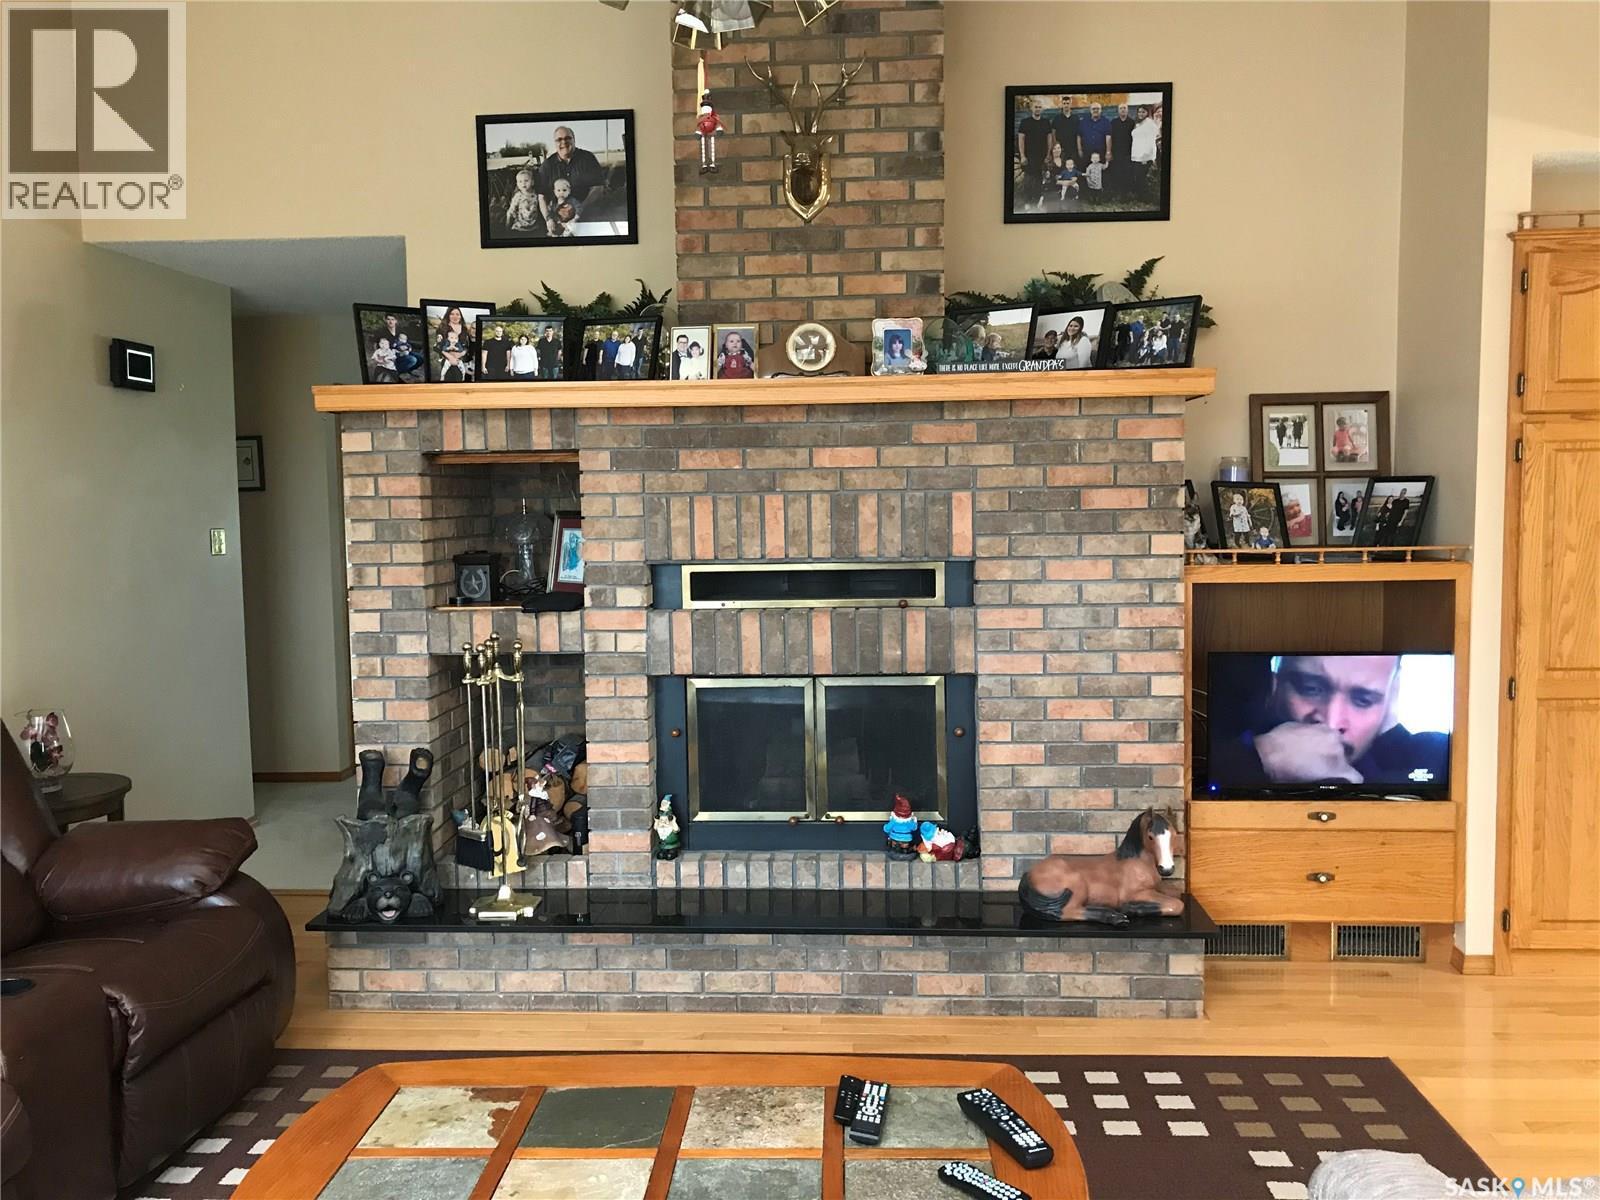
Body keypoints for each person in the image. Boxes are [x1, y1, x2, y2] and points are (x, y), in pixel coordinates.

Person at [1211, 654, 1450, 787]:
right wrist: (1263, 757)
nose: (1332, 722)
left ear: (1390, 701)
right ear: (1274, 686)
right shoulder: (1222, 750)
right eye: (1311, 688)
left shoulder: (1431, 755)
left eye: (1363, 700)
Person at [537, 126, 606, 236]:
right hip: (557, 219)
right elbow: (542, 197)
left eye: (567, 138)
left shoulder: (587, 158)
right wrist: (548, 219)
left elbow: (598, 188)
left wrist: (578, 210)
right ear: (554, 143)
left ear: (574, 140)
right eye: (559, 139)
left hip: (586, 216)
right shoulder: (547, 166)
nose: (563, 142)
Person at [1015, 97, 1052, 212]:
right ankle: (1027, 201)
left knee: (1039, 179)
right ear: (1032, 109)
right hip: (1029, 156)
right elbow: (1021, 139)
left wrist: (1047, 155)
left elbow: (1049, 139)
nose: (1038, 109)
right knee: (1028, 180)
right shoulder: (1025, 122)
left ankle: (1037, 201)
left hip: (1041, 156)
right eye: (1036, 107)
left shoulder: (1046, 122)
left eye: (1040, 107)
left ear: (1042, 110)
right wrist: (1022, 156)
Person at [433, 306, 474, 382]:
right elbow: (437, 346)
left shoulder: (465, 330)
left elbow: (468, 346)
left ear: (460, 316)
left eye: (457, 314)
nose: (455, 316)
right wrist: (450, 357)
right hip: (447, 360)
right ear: (448, 315)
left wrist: (461, 354)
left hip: (462, 361)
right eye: (452, 314)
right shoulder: (442, 328)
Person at [1108, 102, 1136, 195]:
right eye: (1121, 108)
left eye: (1124, 108)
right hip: (1116, 152)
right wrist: (1110, 151)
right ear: (1118, 111)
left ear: (1127, 110)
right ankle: (1117, 192)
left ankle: (1126, 192)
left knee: (1127, 172)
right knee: (1117, 171)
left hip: (1128, 153)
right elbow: (1110, 137)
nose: (1123, 110)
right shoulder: (1113, 122)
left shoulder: (1132, 122)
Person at [1077, 101, 1113, 174]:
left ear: (1101, 110)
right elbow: (1079, 136)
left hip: (1101, 152)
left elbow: (1108, 137)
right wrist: (1079, 150)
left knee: (1101, 172)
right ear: (1090, 110)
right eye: (1093, 109)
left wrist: (1108, 152)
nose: (1095, 110)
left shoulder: (1106, 122)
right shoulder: (1083, 122)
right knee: (1087, 171)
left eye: (1098, 109)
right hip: (1087, 152)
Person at [505, 168, 540, 233]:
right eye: (520, 181)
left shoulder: (536, 194)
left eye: (526, 180)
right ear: (517, 184)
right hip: (519, 226)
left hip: (534, 226)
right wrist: (507, 225)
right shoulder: (518, 196)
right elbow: (511, 211)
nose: (523, 183)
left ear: (532, 182)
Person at [1131, 104, 1160, 181]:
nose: (1140, 114)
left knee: (1141, 178)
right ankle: (1139, 192)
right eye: (1139, 112)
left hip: (1144, 157)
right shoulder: (1138, 124)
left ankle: (1142, 192)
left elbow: (1151, 141)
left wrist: (1148, 156)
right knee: (1137, 177)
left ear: (1147, 113)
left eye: (1143, 112)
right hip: (1136, 155)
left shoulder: (1150, 124)